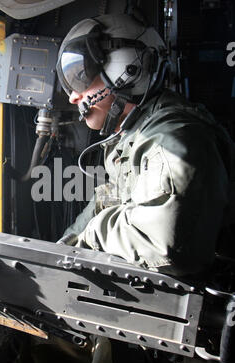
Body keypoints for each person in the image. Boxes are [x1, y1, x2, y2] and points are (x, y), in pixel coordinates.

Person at [56, 13, 235, 278]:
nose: (73, 96)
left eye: (80, 77)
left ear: (126, 68)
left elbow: (164, 243)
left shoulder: (171, 139)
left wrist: (93, 233)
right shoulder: (133, 135)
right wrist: (62, 247)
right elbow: (109, 197)